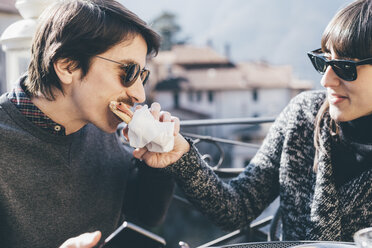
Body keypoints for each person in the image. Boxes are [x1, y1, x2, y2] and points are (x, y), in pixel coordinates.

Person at [136, 0, 372, 242]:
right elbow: (237, 208)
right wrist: (181, 155)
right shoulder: (304, 116)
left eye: (345, 67)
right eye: (324, 61)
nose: (326, 80)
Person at [0, 0, 189, 247]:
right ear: (68, 66)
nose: (139, 95)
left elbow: (145, 214)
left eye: (142, 75)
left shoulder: (98, 125)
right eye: (128, 72)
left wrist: (157, 165)